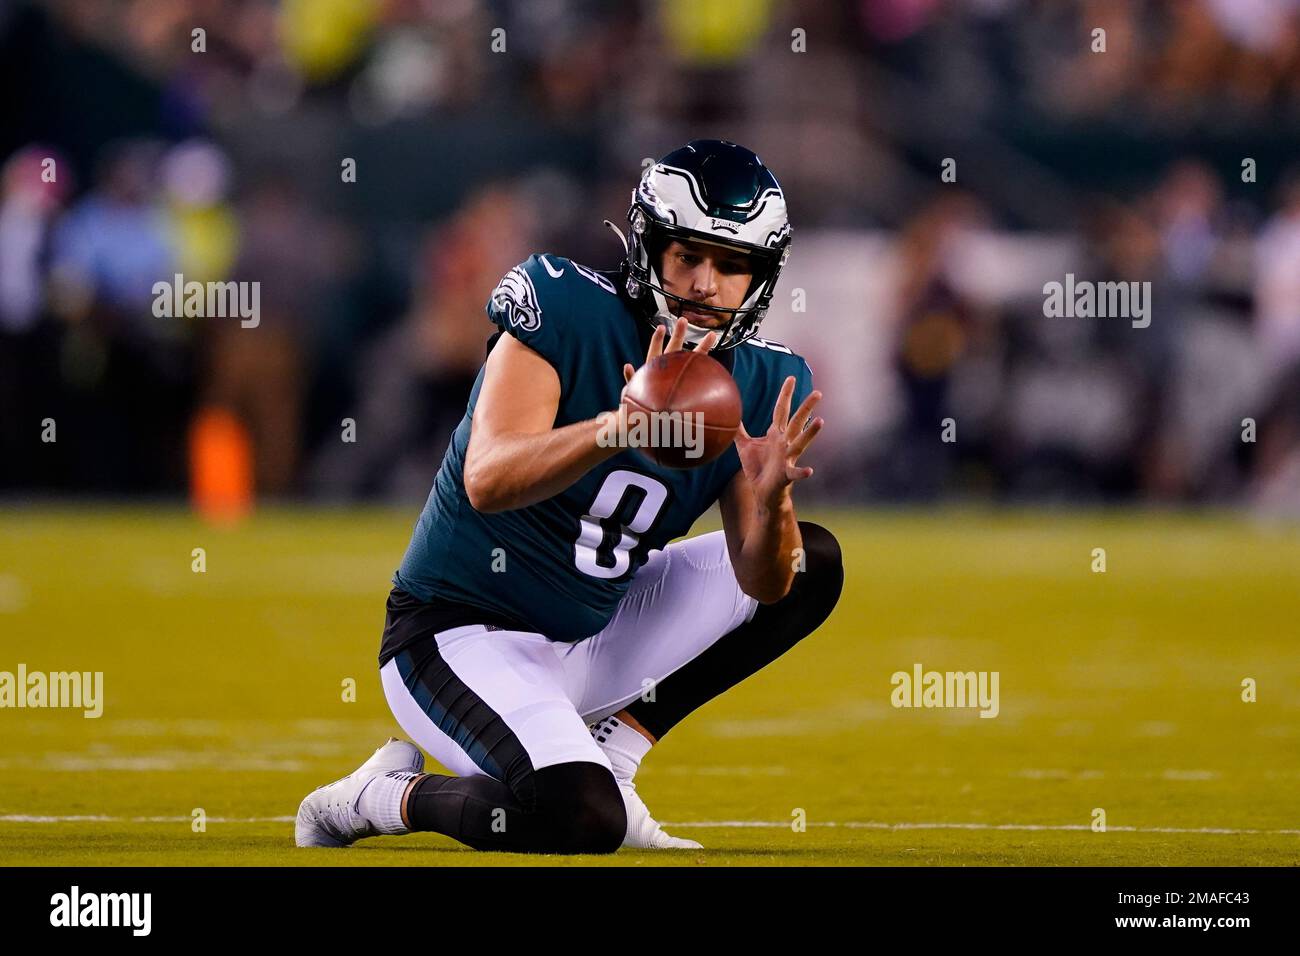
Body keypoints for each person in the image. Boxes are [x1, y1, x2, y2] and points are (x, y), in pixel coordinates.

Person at [295, 140, 843, 853]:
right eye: (689, 257)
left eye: (733, 265)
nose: (708, 284)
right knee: (578, 816)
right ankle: (382, 797)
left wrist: (770, 508)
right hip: (460, 633)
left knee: (811, 562)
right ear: (649, 247)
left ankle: (617, 755)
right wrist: (615, 429)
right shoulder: (564, 306)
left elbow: (764, 584)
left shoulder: (764, 379)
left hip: (597, 629)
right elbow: (488, 479)